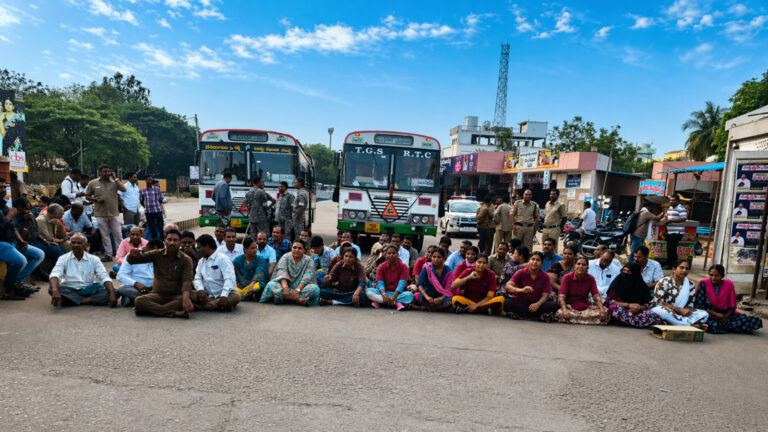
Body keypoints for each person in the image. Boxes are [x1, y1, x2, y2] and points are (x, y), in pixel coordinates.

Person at [128, 229, 195, 319]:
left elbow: (187, 281)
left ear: (180, 243)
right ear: (165, 241)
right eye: (169, 240)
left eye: (175, 240)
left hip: (176, 295)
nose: (172, 243)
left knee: (186, 299)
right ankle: (175, 313)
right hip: (158, 294)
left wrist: (186, 299)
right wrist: (132, 254)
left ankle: (150, 310)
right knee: (139, 301)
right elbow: (132, 260)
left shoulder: (186, 259)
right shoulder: (157, 254)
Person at [0, 181, 44, 300]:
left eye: (5, 187)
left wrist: (21, 240)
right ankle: (10, 288)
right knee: (20, 260)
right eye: (1, 187)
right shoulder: (8, 210)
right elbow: (4, 224)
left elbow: (11, 227)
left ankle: (17, 281)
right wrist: (9, 215)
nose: (3, 189)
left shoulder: (3, 206)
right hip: (2, 242)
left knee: (38, 254)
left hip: (11, 241)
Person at [49, 233, 117, 307]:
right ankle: (91, 300)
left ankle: (74, 301)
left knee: (114, 291)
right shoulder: (63, 258)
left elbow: (104, 276)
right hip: (69, 288)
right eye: (73, 242)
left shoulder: (94, 259)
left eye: (79, 243)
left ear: (86, 245)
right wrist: (55, 291)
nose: (76, 245)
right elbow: (55, 274)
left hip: (89, 288)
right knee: (52, 289)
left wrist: (112, 293)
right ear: (70, 245)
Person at [694, 265, 763, 334]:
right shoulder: (704, 284)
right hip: (708, 314)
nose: (713, 278)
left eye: (717, 276)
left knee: (754, 321)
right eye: (711, 275)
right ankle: (727, 327)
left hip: (725, 315)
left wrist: (725, 317)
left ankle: (725, 326)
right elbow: (700, 305)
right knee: (715, 326)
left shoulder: (728, 284)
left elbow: (732, 306)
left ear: (722, 276)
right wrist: (716, 314)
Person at [85, 164, 126, 261]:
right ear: (99, 172)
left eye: (108, 171)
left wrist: (116, 178)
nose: (107, 173)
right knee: (105, 236)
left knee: (118, 235)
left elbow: (124, 189)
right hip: (100, 214)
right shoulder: (93, 183)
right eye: (105, 171)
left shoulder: (114, 182)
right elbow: (87, 196)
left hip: (114, 213)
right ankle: (108, 255)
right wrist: (95, 199)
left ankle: (121, 255)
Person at [649, 260, 709, 328]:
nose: (684, 270)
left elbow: (690, 304)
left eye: (687, 269)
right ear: (674, 269)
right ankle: (688, 325)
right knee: (663, 312)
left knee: (704, 314)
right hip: (664, 309)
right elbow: (659, 302)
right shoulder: (664, 282)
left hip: (681, 313)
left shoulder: (690, 285)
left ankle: (674, 323)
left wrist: (687, 311)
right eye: (681, 267)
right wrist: (678, 310)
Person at [260, 239, 320, 306]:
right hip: (284, 286)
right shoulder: (285, 257)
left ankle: (283, 298)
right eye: (294, 247)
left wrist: (297, 290)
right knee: (271, 285)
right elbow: (282, 272)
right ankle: (297, 299)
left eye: (300, 248)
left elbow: (307, 277)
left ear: (304, 250)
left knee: (315, 289)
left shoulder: (309, 260)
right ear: (291, 248)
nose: (296, 250)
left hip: (300, 288)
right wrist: (285, 288)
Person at [13, 198, 62, 279]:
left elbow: (36, 232)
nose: (28, 211)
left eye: (29, 209)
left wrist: (43, 239)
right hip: (24, 243)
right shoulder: (14, 218)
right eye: (26, 209)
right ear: (19, 208)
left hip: (35, 241)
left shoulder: (31, 216)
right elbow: (17, 234)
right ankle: (39, 274)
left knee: (55, 249)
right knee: (38, 253)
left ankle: (55, 273)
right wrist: (24, 220)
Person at [604, 262, 663, 328]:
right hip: (622, 308)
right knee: (614, 308)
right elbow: (609, 301)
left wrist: (640, 308)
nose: (625, 273)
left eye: (628, 271)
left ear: (635, 273)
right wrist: (628, 305)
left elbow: (647, 303)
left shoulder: (641, 285)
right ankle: (639, 323)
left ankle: (629, 322)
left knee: (654, 316)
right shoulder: (618, 281)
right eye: (624, 270)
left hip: (637, 311)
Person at [504, 252, 560, 321]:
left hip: (537, 304)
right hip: (522, 302)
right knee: (507, 302)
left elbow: (546, 294)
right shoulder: (521, 272)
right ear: (529, 261)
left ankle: (524, 315)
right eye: (532, 259)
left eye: (538, 260)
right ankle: (536, 317)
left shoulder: (545, 276)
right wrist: (521, 290)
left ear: (542, 263)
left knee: (554, 305)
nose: (535, 262)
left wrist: (538, 304)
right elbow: (508, 286)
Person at [192, 234, 240, 312]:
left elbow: (229, 278)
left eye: (199, 247)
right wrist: (200, 290)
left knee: (235, 297)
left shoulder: (223, 259)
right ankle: (216, 306)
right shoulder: (201, 261)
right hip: (206, 296)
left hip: (224, 295)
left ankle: (201, 307)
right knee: (190, 294)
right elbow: (197, 278)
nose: (198, 250)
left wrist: (224, 296)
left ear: (207, 246)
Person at [556, 257, 609, 325]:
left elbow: (596, 296)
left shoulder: (591, 279)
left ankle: (575, 319)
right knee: (560, 313)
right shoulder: (567, 277)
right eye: (578, 264)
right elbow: (561, 297)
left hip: (584, 306)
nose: (580, 266)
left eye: (584, 265)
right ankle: (586, 320)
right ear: (574, 266)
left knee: (605, 311)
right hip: (569, 306)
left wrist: (602, 310)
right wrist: (564, 310)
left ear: (587, 268)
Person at [116, 239, 164, 307]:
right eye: (151, 252)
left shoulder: (162, 256)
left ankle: (140, 300)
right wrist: (136, 284)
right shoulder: (133, 255)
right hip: (137, 289)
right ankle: (148, 299)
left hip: (155, 289)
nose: (153, 255)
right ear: (146, 248)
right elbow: (120, 276)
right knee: (123, 289)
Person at [367, 244, 414, 310]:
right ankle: (395, 303)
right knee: (368, 291)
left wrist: (394, 296)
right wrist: (384, 295)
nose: (391, 255)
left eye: (393, 253)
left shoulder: (404, 267)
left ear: (398, 254)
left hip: (398, 293)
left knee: (409, 295)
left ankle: (380, 302)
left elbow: (402, 284)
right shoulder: (381, 266)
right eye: (389, 253)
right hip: (383, 292)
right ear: (385, 255)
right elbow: (380, 283)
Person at [412, 247, 454, 312]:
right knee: (417, 297)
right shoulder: (427, 268)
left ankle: (422, 308)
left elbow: (448, 289)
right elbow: (420, 284)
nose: (436, 259)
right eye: (434, 257)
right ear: (431, 257)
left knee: (450, 300)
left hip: (441, 296)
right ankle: (433, 308)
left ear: (444, 258)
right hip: (427, 295)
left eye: (439, 257)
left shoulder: (449, 271)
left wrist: (441, 298)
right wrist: (426, 296)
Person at [661, 195, 688, 269]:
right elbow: (667, 216)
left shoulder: (681, 208)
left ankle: (670, 265)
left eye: (673, 200)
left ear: (677, 201)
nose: (671, 202)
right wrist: (664, 218)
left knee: (671, 249)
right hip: (670, 232)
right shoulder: (670, 208)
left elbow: (684, 218)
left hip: (677, 232)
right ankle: (673, 264)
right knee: (670, 249)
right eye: (670, 200)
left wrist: (671, 221)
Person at [140, 174, 165, 241]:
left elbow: (161, 199)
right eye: (149, 179)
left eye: (151, 179)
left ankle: (162, 241)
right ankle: (155, 242)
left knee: (160, 227)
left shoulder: (157, 189)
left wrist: (157, 205)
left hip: (158, 211)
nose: (150, 181)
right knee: (152, 228)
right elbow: (141, 201)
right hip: (148, 212)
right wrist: (146, 206)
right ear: (145, 180)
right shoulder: (142, 190)